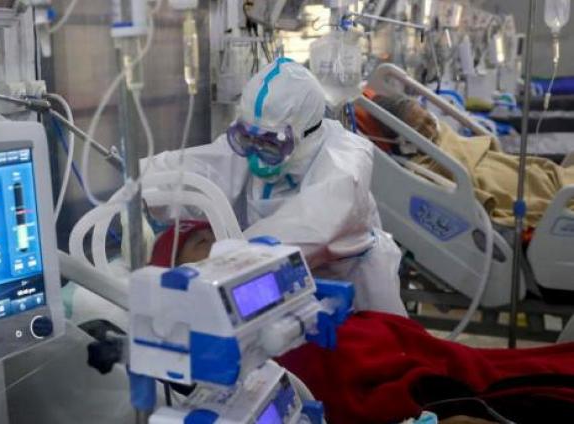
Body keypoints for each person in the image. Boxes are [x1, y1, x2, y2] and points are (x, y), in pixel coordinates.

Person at [151, 221, 574, 424]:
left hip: (376, 342)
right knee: (488, 379)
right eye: (200, 245)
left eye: (213, 237)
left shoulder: (260, 281)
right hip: (349, 365)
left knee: (485, 367)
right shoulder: (203, 339)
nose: (218, 248)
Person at [142, 58, 406, 316]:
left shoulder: (344, 161)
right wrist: (137, 185)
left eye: (271, 145)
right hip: (282, 289)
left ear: (305, 135)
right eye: (246, 139)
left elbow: (311, 226)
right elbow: (201, 168)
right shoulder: (256, 136)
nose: (255, 156)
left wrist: (219, 259)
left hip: (354, 295)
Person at [366, 93, 574, 228]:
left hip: (539, 176)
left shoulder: (446, 136)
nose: (431, 129)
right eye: (421, 128)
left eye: (429, 120)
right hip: (532, 194)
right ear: (405, 143)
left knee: (543, 175)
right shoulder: (424, 170)